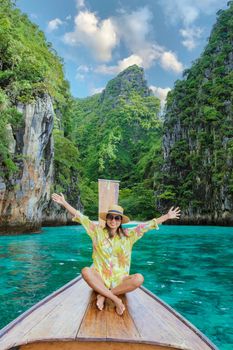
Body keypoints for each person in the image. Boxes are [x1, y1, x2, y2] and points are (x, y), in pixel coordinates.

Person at [51, 193, 180, 315]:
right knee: (85, 271)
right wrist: (64, 202)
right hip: (100, 278)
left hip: (120, 280)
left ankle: (104, 294)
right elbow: (81, 217)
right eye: (110, 217)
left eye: (117, 218)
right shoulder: (96, 231)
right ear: (106, 219)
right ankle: (116, 299)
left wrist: (167, 216)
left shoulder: (130, 235)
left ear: (121, 221)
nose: (113, 220)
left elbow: (148, 225)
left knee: (139, 278)